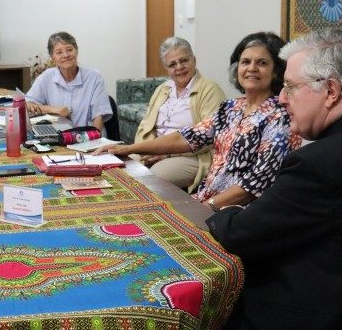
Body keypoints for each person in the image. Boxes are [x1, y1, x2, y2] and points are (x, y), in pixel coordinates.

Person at [206, 28, 342, 330]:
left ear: (330, 91)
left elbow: (238, 235)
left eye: (291, 87)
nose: (282, 97)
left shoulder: (321, 164)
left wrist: (217, 210)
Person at [95, 32, 301, 209]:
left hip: (240, 212)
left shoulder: (280, 116)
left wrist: (204, 208)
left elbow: (255, 185)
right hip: (208, 199)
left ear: (276, 71)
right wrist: (126, 149)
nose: (252, 68)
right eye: (246, 62)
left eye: (262, 63)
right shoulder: (231, 108)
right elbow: (186, 137)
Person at [133, 37, 226, 192]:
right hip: (155, 150)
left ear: (194, 60)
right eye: (172, 64)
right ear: (166, 69)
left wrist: (167, 154)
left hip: (192, 156)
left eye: (184, 60)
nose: (179, 67)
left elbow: (210, 137)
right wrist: (144, 149)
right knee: (122, 170)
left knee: (152, 180)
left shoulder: (210, 89)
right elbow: (145, 125)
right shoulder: (163, 89)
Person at [25, 31, 112, 131]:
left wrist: (94, 140)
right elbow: (26, 104)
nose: (66, 55)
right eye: (59, 52)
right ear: (52, 58)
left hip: (88, 137)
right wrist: (53, 109)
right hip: (59, 137)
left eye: (69, 50)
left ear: (76, 51)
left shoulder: (95, 77)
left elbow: (98, 117)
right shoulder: (46, 77)